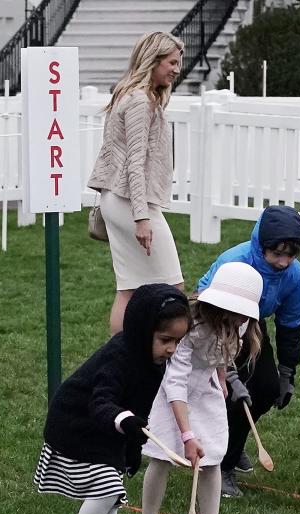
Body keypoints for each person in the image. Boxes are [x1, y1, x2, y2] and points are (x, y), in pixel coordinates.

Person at [34, 284, 190, 514]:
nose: (171, 349)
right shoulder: (119, 355)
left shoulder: (154, 363)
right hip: (76, 424)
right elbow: (101, 400)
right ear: (143, 332)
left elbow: (136, 408)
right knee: (106, 488)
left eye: (178, 341)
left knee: (113, 493)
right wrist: (126, 421)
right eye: (165, 340)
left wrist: (130, 447)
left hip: (109, 428)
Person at [135, 263, 263, 514]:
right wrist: (187, 433)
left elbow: (221, 354)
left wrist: (221, 375)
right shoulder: (190, 329)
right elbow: (175, 381)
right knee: (162, 459)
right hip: (172, 395)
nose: (241, 318)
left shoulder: (240, 323)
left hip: (207, 393)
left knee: (213, 461)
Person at [196, 205, 300, 498]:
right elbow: (207, 309)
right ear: (262, 246)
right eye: (277, 254)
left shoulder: (294, 275)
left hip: (254, 326)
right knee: (232, 394)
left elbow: (292, 324)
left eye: (291, 255)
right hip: (219, 323)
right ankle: (222, 465)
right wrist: (229, 373)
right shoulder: (235, 262)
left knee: (268, 388)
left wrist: (287, 372)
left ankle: (233, 441)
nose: (284, 262)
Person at [88, 32, 185, 335]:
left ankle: (119, 359)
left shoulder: (129, 95)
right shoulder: (140, 101)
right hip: (130, 204)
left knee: (128, 289)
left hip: (117, 200)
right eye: (172, 62)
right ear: (152, 61)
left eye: (179, 63)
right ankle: (179, 363)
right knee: (175, 287)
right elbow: (135, 163)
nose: (177, 69)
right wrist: (142, 218)